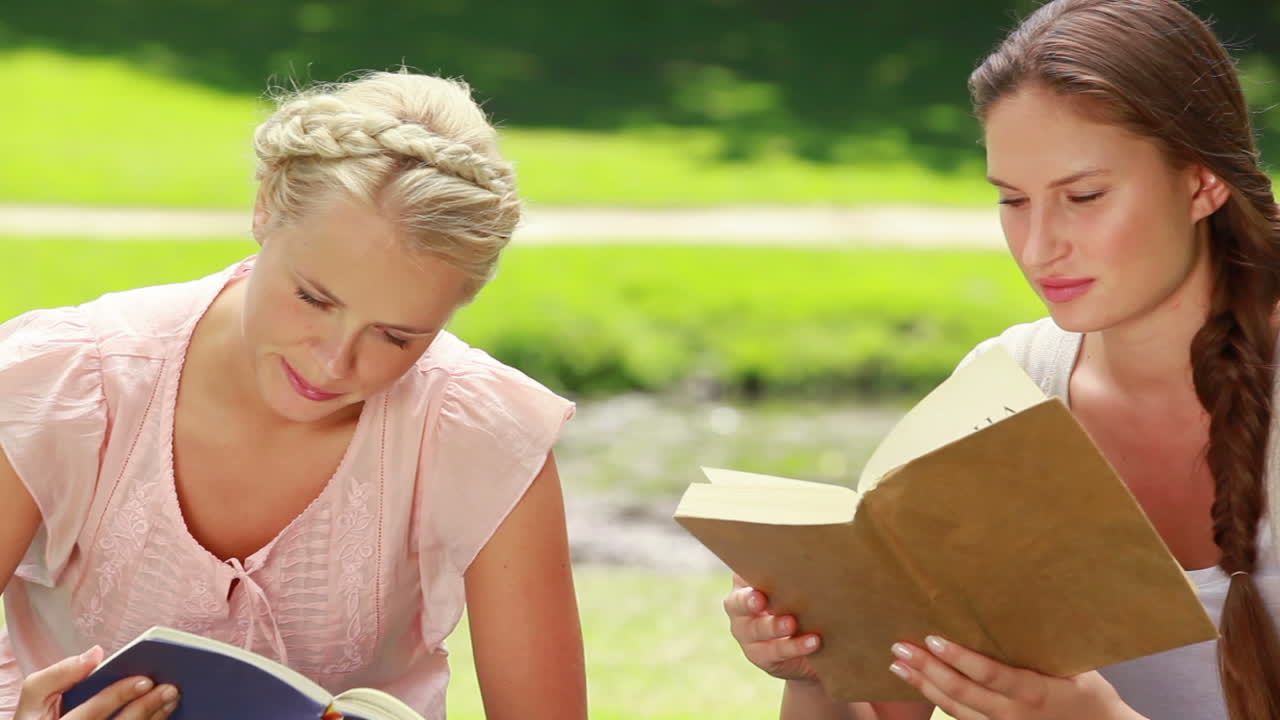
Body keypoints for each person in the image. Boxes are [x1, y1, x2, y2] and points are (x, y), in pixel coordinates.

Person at [724, 1, 1280, 718]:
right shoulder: (1005, 393)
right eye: (1014, 201)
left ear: (1203, 182)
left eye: (1083, 196)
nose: (1039, 247)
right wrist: (820, 666)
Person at [0, 70, 586, 720]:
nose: (335, 363)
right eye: (313, 298)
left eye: (396, 337)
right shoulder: (68, 382)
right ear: (266, 204)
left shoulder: (484, 435)